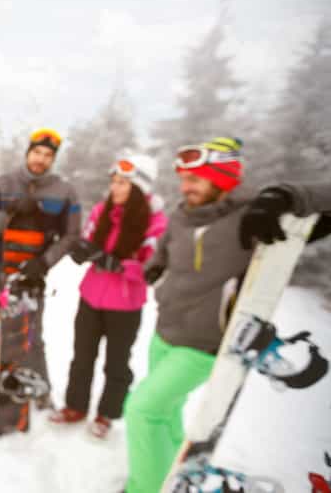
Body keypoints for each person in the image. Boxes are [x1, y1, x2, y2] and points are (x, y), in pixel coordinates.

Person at [123, 137, 331, 493]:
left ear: (222, 178)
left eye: (195, 179)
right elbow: (165, 251)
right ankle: (165, 477)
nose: (185, 187)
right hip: (165, 333)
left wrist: (283, 195)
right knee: (167, 413)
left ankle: (142, 488)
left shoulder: (253, 217)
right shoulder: (181, 215)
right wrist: (155, 270)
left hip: (205, 344)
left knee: (142, 411)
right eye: (183, 179)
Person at [0, 128, 82, 434]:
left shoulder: (64, 191)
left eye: (48, 155)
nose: (41, 159)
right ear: (28, 153)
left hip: (32, 276)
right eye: (37, 152)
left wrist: (45, 262)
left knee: (31, 335)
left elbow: (72, 235)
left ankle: (40, 389)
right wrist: (11, 212)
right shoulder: (3, 183)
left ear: (53, 159)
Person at [48, 155, 167, 440]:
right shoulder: (102, 210)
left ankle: (107, 414)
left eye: (123, 183)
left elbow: (155, 265)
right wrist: (83, 250)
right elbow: (89, 238)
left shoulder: (155, 221)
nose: (116, 188)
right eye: (114, 182)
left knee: (116, 362)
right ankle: (75, 406)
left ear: (138, 188)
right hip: (91, 296)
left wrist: (121, 265)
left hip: (125, 305)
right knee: (82, 355)